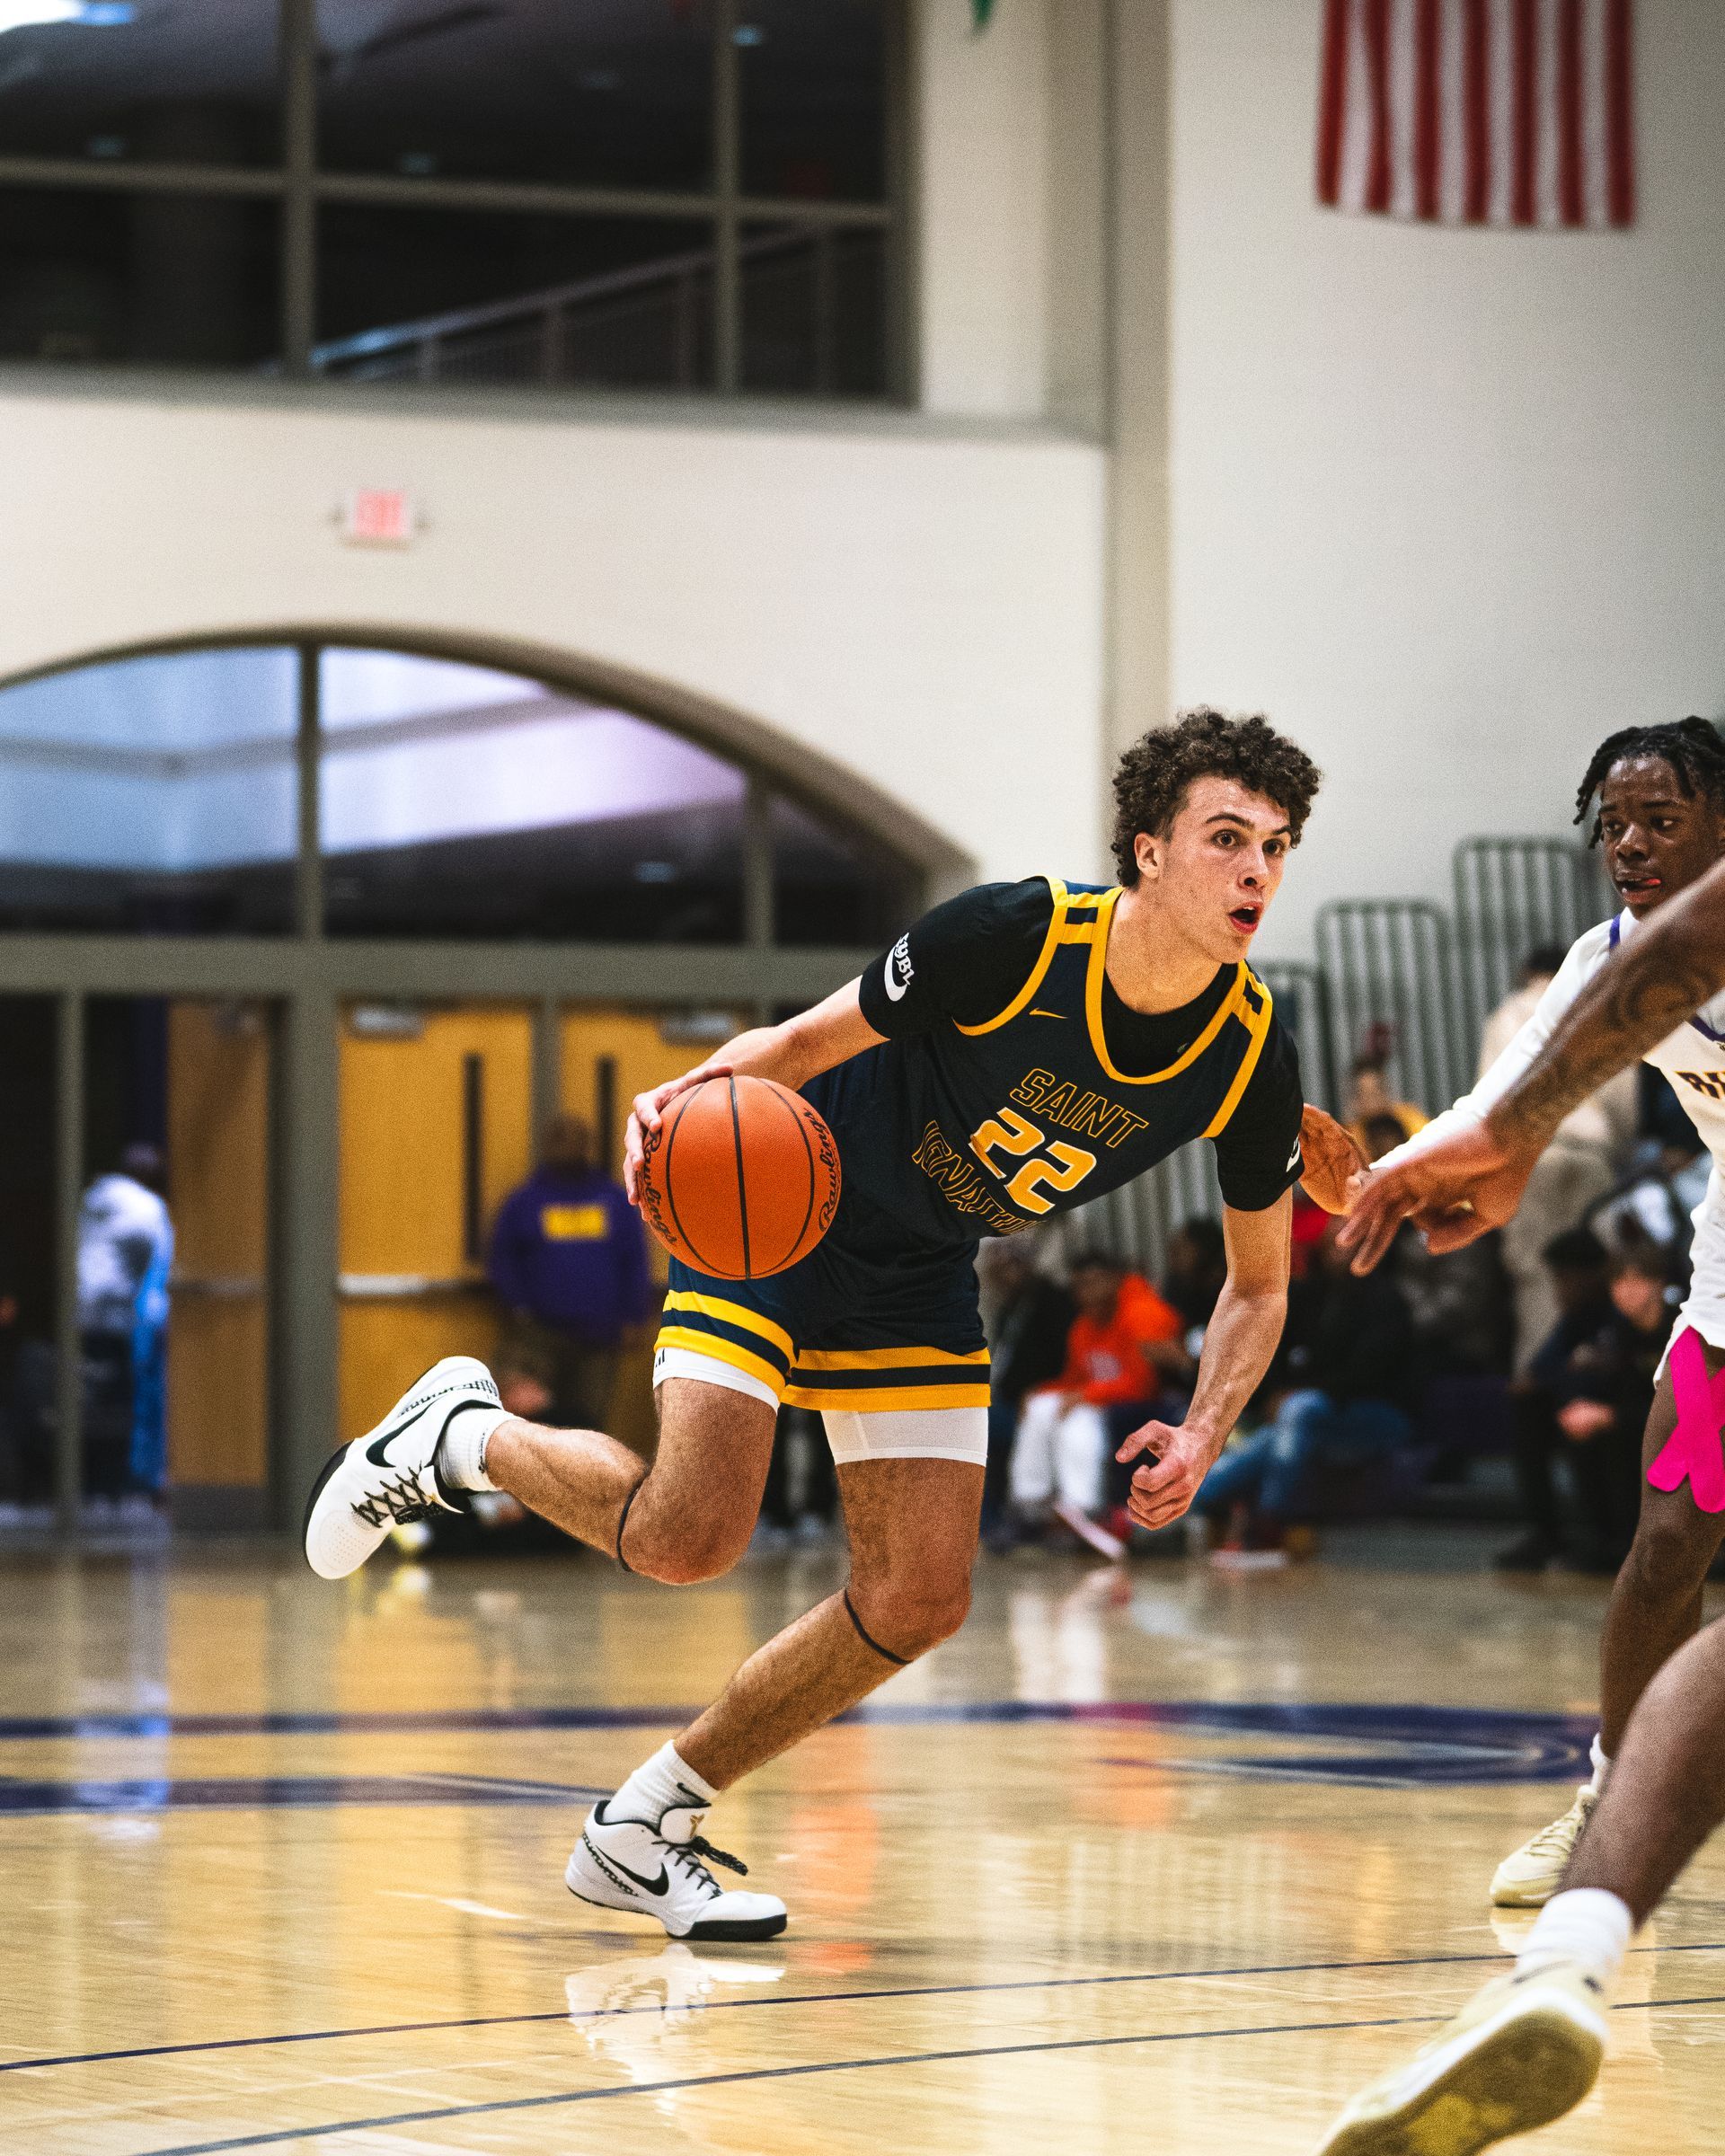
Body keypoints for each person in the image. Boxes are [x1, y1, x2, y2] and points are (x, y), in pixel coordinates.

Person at [307, 707, 1346, 1943]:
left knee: (919, 1598)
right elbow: (803, 1044)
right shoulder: (1015, 933)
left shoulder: (1244, 1051)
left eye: (1277, 848)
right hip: (787, 1216)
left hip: (920, 1269)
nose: (1256, 872)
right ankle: (459, 1440)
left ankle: (644, 1827)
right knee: (689, 1537)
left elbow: (1261, 1283)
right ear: (1148, 850)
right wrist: (693, 1099)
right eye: (1228, 838)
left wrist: (1203, 1430)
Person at [1318, 751, 1725, 2154]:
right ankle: (1594, 1851)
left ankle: (1577, 1949)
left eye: (1661, 817)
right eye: (1611, 822)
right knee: (1667, 1548)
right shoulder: (1618, 957)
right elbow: (1509, 1096)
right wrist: (1401, 1162)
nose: (1629, 841)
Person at [1196, 1214, 1415, 1559]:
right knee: (1274, 1429)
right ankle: (1173, 1510)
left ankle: (1271, 1521)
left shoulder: (1387, 1298)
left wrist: (1297, 1395)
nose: (1340, 1240)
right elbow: (1278, 1359)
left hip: (1377, 1415)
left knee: (1297, 1412)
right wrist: (1277, 1394)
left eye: (1349, 1232)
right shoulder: (1306, 1296)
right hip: (1312, 1418)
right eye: (1333, 1234)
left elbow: (1370, 1373)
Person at [1482, 948, 1637, 1368]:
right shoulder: (1601, 1006)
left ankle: (1539, 1389)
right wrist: (1616, 1148)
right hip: (1591, 1152)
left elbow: (1487, 1099)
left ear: (1528, 974)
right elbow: (1624, 1099)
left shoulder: (1506, 1016)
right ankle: (1600, 1380)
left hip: (1532, 1155)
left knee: (1536, 1276)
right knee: (1601, 1272)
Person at [1496, 1230, 1658, 1575]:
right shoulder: (1598, 1323)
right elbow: (1539, 1373)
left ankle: (1623, 1538)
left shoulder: (1656, 1325)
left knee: (1603, 1427)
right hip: (1613, 1413)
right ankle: (1561, 1534)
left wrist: (1605, 1411)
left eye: (1567, 1278)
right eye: (1621, 1282)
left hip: (1653, 1421)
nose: (1561, 1288)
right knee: (1545, 1412)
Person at [1005, 1251, 1181, 1555]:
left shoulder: (1141, 1312)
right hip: (1103, 1400)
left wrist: (1084, 1396)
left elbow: (1144, 1383)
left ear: (1114, 1279)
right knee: (1040, 1406)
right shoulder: (1084, 1326)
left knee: (1078, 1418)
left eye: (1090, 1283)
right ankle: (1030, 1505)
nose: (1081, 1293)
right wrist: (1042, 1391)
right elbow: (1076, 1378)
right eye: (1077, 1286)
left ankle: (1083, 1506)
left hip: (1146, 1404)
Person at [486, 1112, 652, 1430]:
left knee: (588, 1429)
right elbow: (503, 1257)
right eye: (560, 1137)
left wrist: (634, 1316)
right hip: (538, 1337)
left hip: (600, 1339)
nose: (568, 1145)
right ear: (547, 1145)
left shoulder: (613, 1200)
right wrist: (517, 1305)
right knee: (530, 1427)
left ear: (587, 1145)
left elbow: (634, 1260)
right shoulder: (526, 1201)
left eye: (575, 1138)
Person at [76, 1143, 172, 1499]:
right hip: (122, 1319)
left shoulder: (95, 1201)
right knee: (127, 1403)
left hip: (84, 1315)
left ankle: (93, 1483)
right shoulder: (147, 1208)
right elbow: (162, 1261)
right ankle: (127, 1480)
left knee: (91, 1400)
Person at [975, 1237, 1075, 1538]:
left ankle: (1002, 1520)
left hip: (1038, 1397)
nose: (1000, 1276)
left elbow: (1065, 1361)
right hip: (1007, 1398)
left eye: (1006, 1268)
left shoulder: (1053, 1301)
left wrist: (1035, 1393)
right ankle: (983, 1521)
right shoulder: (1010, 1306)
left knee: (983, 1431)